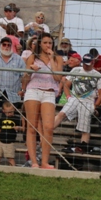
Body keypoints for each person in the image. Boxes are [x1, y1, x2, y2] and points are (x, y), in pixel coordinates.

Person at [22, 32, 63, 169]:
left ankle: (45, 161)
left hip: (49, 92)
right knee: (32, 127)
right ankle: (34, 161)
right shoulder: (32, 57)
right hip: (33, 90)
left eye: (50, 43)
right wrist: (30, 70)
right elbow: (25, 79)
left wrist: (51, 59)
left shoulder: (58, 59)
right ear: (40, 43)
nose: (48, 45)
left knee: (48, 127)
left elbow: (58, 78)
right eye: (45, 42)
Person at [54, 53, 101, 150]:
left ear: (93, 63)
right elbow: (66, 84)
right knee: (61, 114)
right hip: (75, 98)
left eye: (88, 63)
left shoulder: (97, 75)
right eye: (84, 63)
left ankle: (82, 147)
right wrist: (68, 97)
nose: (85, 65)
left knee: (85, 127)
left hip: (89, 101)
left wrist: (95, 106)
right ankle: (47, 130)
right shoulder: (76, 70)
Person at [0, 101, 20, 166]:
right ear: (3, 111)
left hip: (10, 141)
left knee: (10, 158)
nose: (9, 114)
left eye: (10, 112)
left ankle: (13, 169)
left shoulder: (17, 119)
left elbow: (23, 128)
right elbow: (0, 128)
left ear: (14, 109)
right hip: (0, 140)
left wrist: (18, 128)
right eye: (7, 112)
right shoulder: (3, 118)